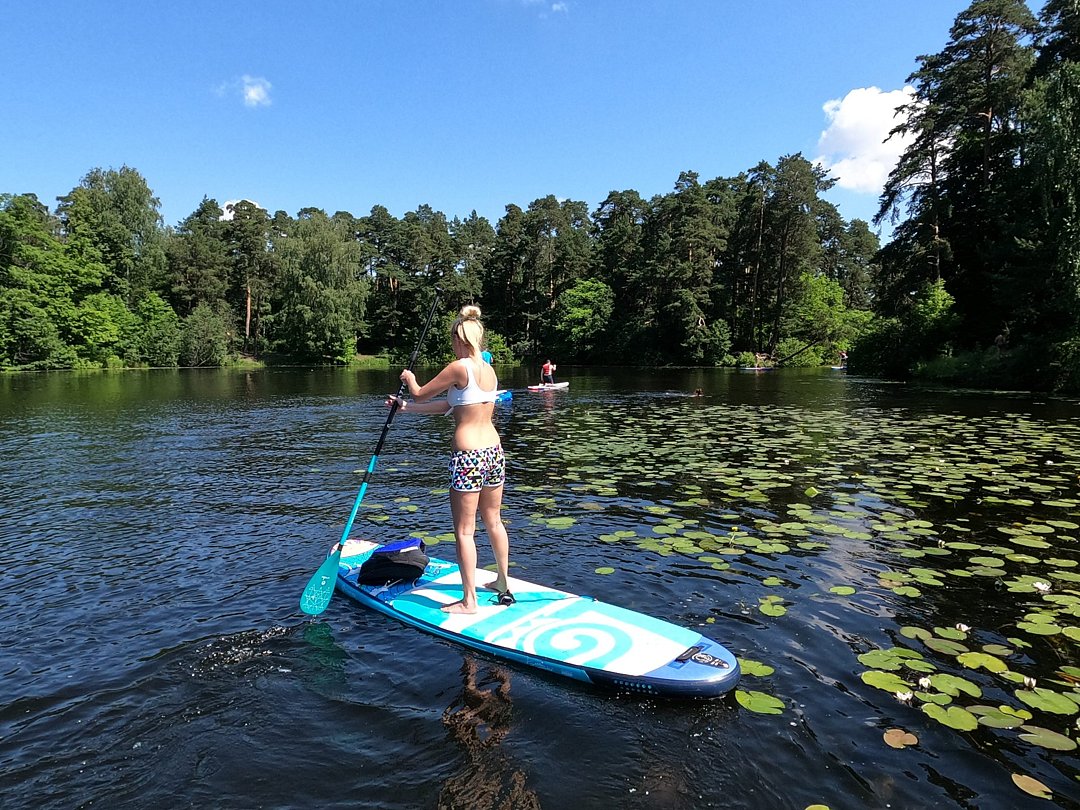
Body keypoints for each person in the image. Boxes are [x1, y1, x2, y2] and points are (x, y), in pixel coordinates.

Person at [388, 304, 512, 614]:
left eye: (453, 341)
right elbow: (451, 404)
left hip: (469, 456)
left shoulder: (458, 367)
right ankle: (502, 582)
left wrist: (409, 379)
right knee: (494, 520)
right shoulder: (489, 370)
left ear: (460, 339)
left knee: (464, 531)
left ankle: (469, 601)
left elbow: (420, 392)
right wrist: (406, 408)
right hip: (494, 452)